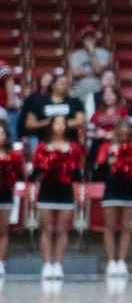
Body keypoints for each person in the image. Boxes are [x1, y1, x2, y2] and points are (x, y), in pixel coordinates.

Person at [32, 114, 84, 281]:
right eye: (57, 123)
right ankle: (47, 264)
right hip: (47, 191)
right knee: (46, 230)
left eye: (63, 123)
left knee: (62, 230)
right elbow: (35, 170)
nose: (61, 126)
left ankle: (58, 264)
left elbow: (78, 171)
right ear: (51, 126)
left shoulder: (73, 148)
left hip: (65, 192)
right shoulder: (42, 147)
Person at [98, 119, 132, 278]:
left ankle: (122, 261)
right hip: (112, 188)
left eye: (127, 133)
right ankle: (111, 261)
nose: (124, 136)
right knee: (110, 227)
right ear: (117, 134)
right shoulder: (109, 147)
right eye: (122, 133)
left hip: (129, 189)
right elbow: (108, 163)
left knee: (126, 227)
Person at [22, 72, 78, 152]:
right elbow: (29, 123)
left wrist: (60, 124)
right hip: (43, 139)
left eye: (67, 84)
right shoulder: (37, 101)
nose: (65, 86)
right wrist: (47, 123)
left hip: (68, 139)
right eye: (62, 83)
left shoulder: (72, 101)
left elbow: (80, 120)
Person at [67, 27, 109, 113]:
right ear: (82, 39)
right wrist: (94, 72)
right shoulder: (75, 54)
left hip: (97, 91)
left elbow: (98, 70)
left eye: (92, 37)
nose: (89, 39)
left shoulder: (104, 53)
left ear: (95, 39)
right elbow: (75, 73)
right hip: (79, 91)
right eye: (86, 37)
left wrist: (92, 52)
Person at [0, 127, 21, 278]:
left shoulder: (13, 155)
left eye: (1, 132)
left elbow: (19, 173)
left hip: (6, 194)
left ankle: (1, 262)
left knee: (3, 230)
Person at [88, 84, 127, 151]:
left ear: (116, 96)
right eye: (106, 95)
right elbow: (88, 131)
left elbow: (126, 129)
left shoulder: (122, 111)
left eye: (111, 95)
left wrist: (108, 135)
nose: (108, 97)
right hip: (100, 143)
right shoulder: (98, 113)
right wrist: (96, 134)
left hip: (117, 142)